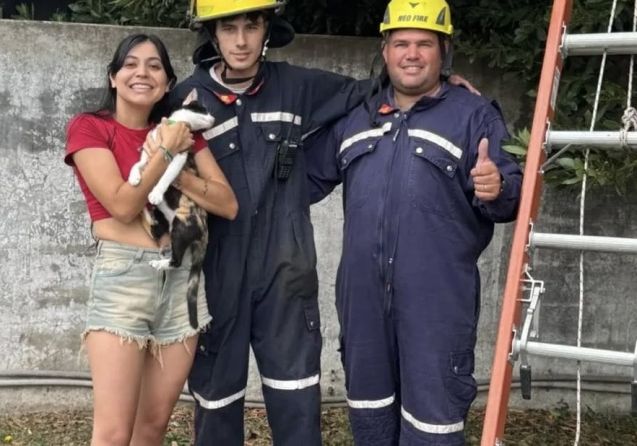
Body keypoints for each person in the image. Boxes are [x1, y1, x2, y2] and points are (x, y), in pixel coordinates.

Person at [168, 1, 481, 445]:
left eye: (251, 26)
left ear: (267, 31)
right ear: (211, 35)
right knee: (216, 403)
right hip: (217, 274)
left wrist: (441, 83)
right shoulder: (186, 99)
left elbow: (375, 89)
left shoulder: (297, 87)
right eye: (229, 27)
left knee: (296, 401)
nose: (241, 40)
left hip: (286, 275)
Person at [305, 0, 524, 444]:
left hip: (438, 304)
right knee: (370, 419)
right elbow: (299, 181)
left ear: (444, 52)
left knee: (433, 426)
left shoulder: (473, 115)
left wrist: (497, 186)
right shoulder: (355, 115)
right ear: (384, 51)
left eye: (425, 43)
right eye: (401, 43)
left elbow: (509, 197)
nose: (412, 53)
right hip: (362, 301)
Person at [63, 33, 238, 446]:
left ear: (166, 81)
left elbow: (227, 204)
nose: (142, 72)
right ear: (113, 77)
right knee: (112, 433)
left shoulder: (182, 134)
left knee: (153, 426)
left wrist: (178, 161)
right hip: (124, 278)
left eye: (154, 66)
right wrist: (166, 152)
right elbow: (122, 206)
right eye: (131, 64)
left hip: (183, 283)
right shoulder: (90, 127)